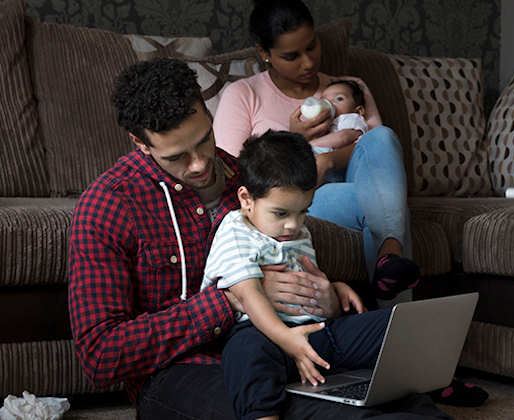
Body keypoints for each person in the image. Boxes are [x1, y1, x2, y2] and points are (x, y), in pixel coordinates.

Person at [68, 56, 452, 420]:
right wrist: (231, 300)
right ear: (140, 143)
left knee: (398, 387)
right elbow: (101, 356)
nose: (200, 164)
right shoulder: (108, 206)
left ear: (206, 109)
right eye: (177, 157)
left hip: (287, 344)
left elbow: (293, 258)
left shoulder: (252, 177)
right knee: (316, 412)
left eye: (203, 140)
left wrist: (326, 295)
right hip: (181, 371)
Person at [213, 0, 419, 302]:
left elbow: (380, 158)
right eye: (291, 56)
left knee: (383, 138)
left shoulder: (348, 88)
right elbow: (231, 174)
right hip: (303, 202)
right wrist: (292, 143)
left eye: (312, 47)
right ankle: (396, 320)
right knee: (391, 207)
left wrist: (329, 160)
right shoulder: (244, 95)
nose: (308, 63)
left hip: (361, 187)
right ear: (264, 53)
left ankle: (389, 258)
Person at [204, 130, 404, 419]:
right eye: (281, 213)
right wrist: (288, 340)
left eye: (303, 212)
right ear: (246, 199)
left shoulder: (298, 230)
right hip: (264, 334)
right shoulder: (236, 230)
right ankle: (262, 414)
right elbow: (248, 296)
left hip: (315, 330)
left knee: (393, 324)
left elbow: (306, 278)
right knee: (245, 352)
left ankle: (427, 385)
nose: (293, 225)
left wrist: (335, 289)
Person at [310, 79, 368, 156]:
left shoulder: (351, 118)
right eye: (324, 101)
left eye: (339, 99)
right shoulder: (326, 122)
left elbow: (343, 137)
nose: (329, 103)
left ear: (358, 111)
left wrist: (310, 144)